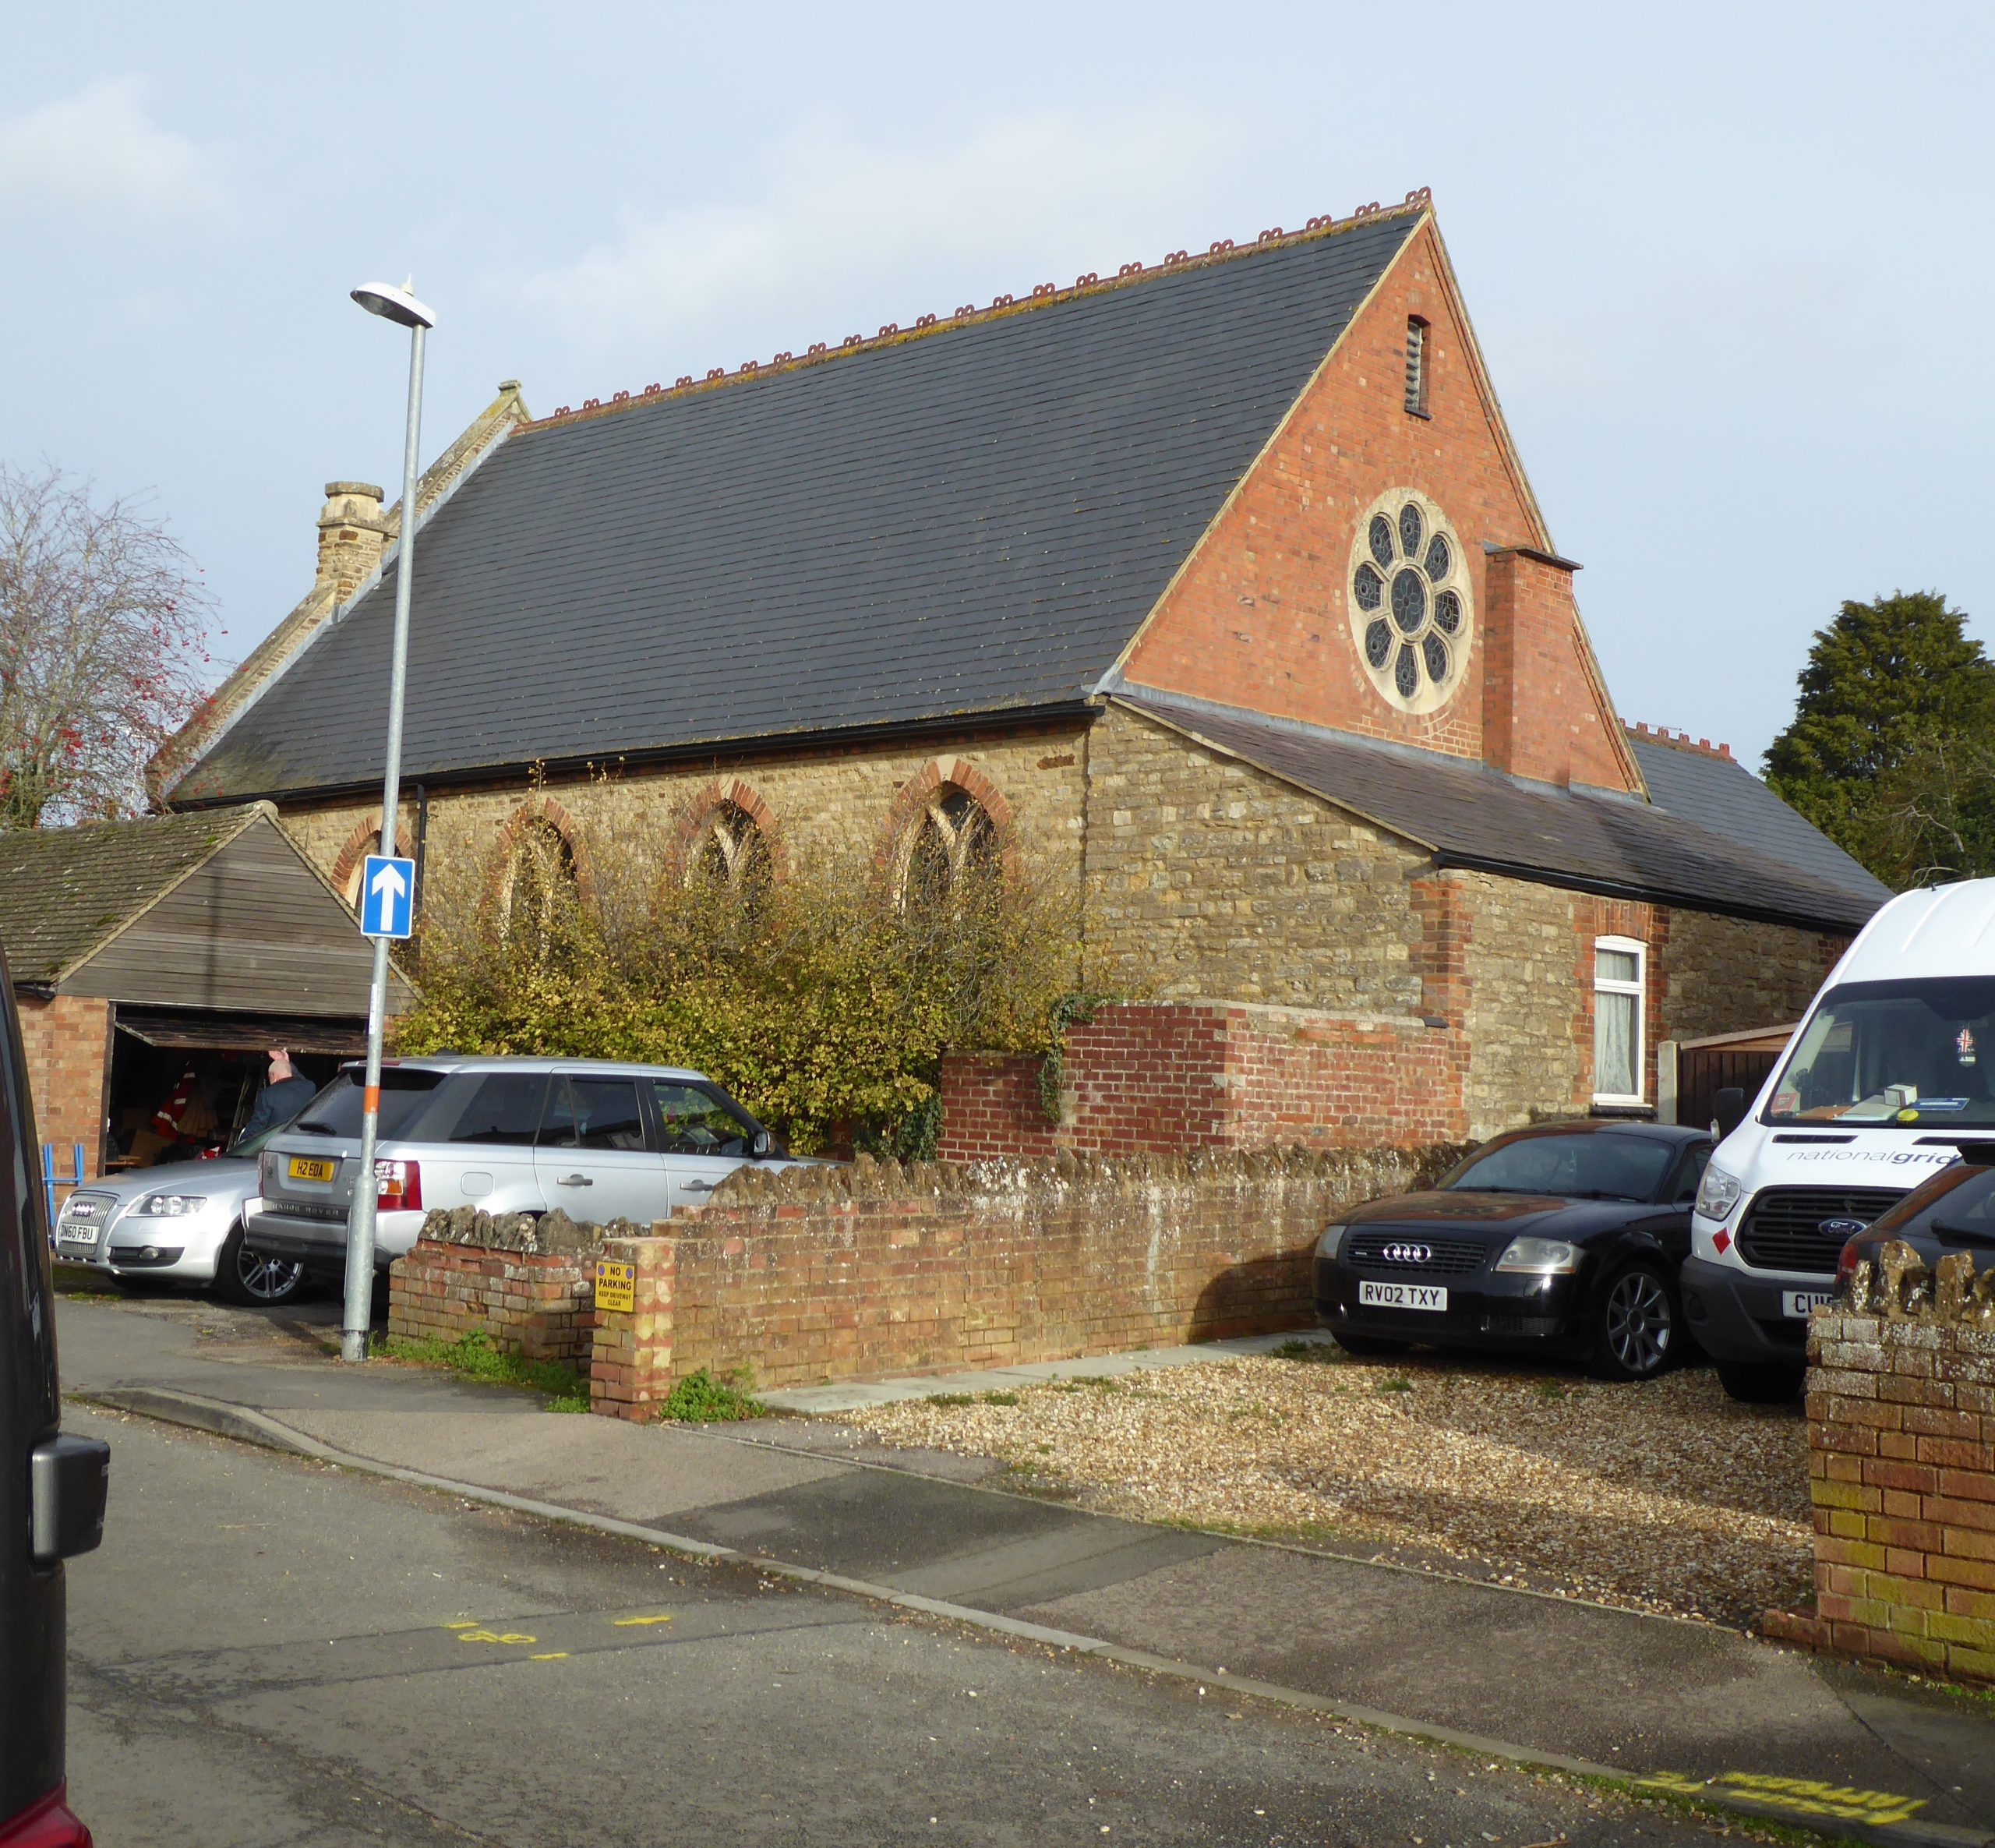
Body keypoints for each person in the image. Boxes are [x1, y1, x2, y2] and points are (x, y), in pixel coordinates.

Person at [237, 1050, 317, 1144]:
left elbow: (257, 1126)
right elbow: (300, 1078)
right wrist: (287, 1062)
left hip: (277, 1145)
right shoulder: (310, 1087)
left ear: (274, 1076)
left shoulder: (268, 1095)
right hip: (302, 1143)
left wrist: (242, 1142)